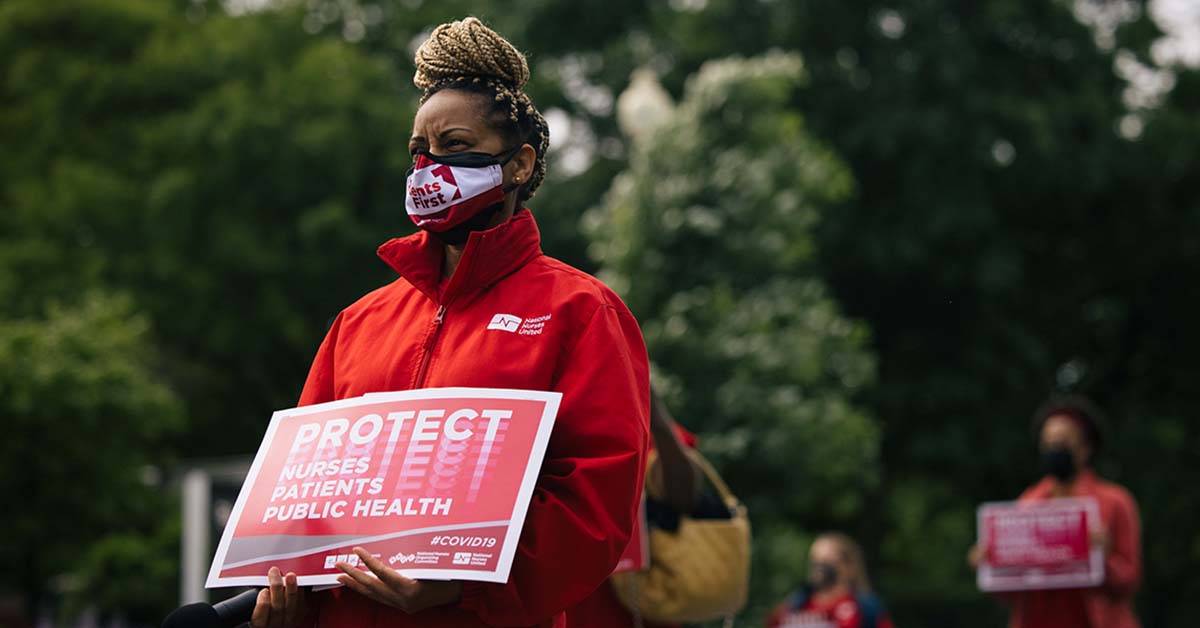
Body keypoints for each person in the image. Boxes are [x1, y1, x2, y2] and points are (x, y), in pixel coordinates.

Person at [247, 17, 651, 628]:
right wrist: (286, 606)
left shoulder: (580, 311)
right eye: (418, 150)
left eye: (455, 146)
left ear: (518, 165)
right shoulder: (359, 323)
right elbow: (303, 504)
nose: (428, 165)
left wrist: (460, 591)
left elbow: (596, 503)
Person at [970, 396, 1142, 628]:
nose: (1054, 449)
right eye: (1048, 443)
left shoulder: (1115, 503)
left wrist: (1103, 557)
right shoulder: (1028, 505)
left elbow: (1129, 580)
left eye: (1062, 442)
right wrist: (992, 564)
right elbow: (1009, 595)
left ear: (1086, 448)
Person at [766, 533, 895, 628]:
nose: (818, 567)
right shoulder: (793, 608)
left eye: (827, 560)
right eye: (814, 560)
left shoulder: (866, 610)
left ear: (848, 567)